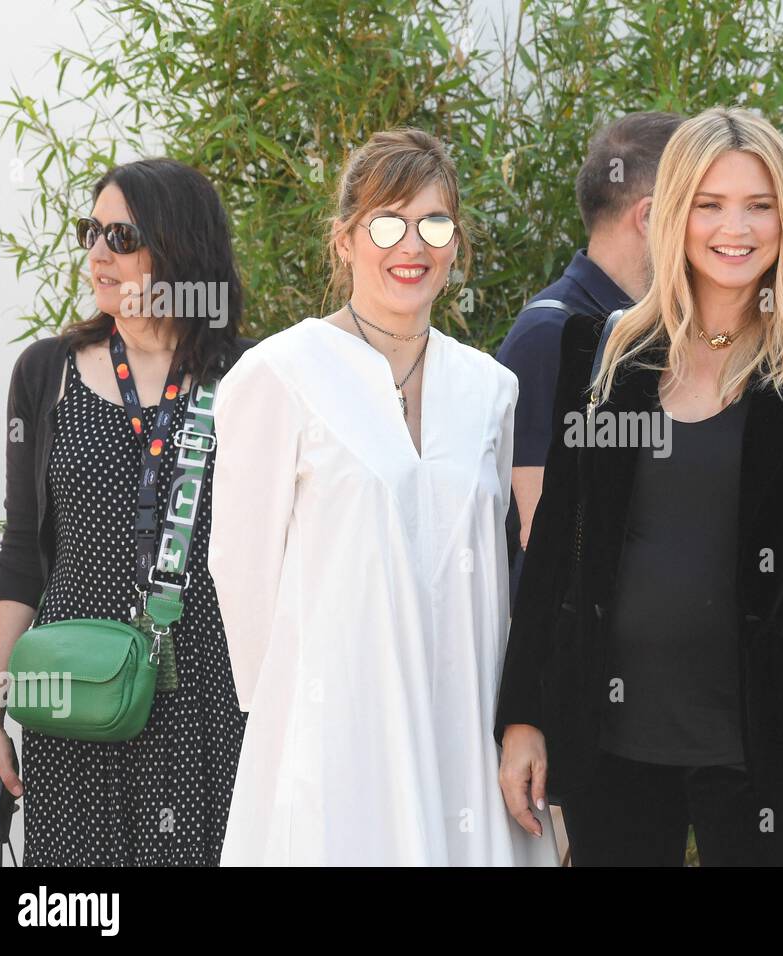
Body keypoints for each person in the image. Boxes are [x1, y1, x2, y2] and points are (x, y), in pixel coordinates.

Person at [495, 106, 783, 866]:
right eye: (709, 204)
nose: (733, 228)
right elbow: (553, 552)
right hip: (613, 741)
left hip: (763, 743)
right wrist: (523, 719)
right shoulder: (602, 353)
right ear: (674, 213)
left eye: (758, 205)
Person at [208, 127, 556, 866]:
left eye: (434, 223)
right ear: (344, 241)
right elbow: (241, 573)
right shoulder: (279, 375)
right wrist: (300, 719)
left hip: (464, 729)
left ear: (455, 244)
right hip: (338, 736)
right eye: (387, 223)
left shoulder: (491, 389)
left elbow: (493, 565)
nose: (413, 245)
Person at [0, 158, 250, 865]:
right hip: (76, 691)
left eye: (121, 237)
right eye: (89, 232)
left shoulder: (252, 378)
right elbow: (21, 558)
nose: (97, 254)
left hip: (209, 696)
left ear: (181, 248)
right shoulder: (46, 373)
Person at [496, 112, 683, 599]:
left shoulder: (655, 328)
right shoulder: (550, 335)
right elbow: (544, 535)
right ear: (649, 217)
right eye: (700, 206)